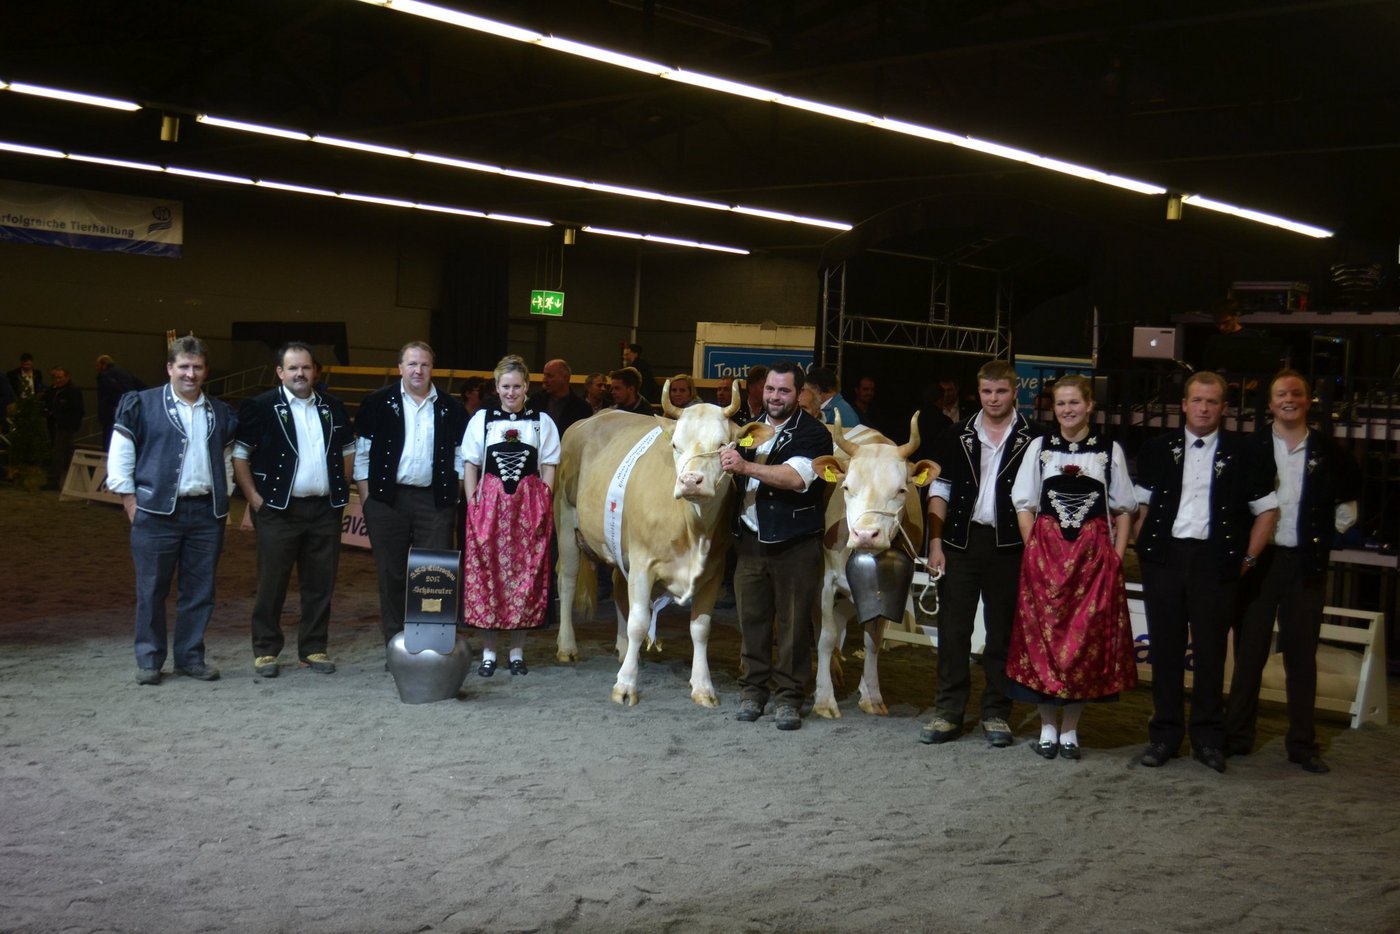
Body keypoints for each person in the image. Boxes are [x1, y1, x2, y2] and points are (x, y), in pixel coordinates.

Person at [1133, 371, 1278, 773]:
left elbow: (1267, 510)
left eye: (1212, 402)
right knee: (1164, 652)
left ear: (1224, 408)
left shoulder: (1246, 452)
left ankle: (1208, 739)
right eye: (1197, 400)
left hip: (1216, 562)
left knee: (1212, 653)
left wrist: (1247, 559)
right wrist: (1146, 552)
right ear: (1184, 404)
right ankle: (1163, 737)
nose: (1203, 408)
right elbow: (1141, 508)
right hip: (1164, 561)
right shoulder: (1156, 449)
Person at [1224, 370, 1360, 773]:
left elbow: (1347, 509)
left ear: (1307, 401)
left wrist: (1316, 536)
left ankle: (1302, 744)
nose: (1289, 399)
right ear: (1269, 404)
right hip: (1260, 564)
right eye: (1281, 394)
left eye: (1296, 393)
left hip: (1304, 564)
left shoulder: (1329, 451)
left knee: (1301, 657)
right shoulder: (1250, 449)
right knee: (1249, 654)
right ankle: (1237, 737)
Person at [1007, 376, 1138, 760]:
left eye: (1074, 403)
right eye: (1061, 404)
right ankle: (1047, 726)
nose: (1067, 410)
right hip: (1046, 558)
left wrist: (1116, 554)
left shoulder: (1108, 450)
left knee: (1083, 642)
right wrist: (1033, 547)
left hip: (1092, 561)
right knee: (1043, 642)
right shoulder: (1040, 448)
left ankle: (1070, 730)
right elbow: (1024, 503)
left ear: (1089, 406)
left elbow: (1124, 508)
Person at [922, 360, 1045, 747]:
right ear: (979, 393)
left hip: (1010, 547)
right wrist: (936, 544)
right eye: (988, 392)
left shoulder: (1036, 439)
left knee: (1002, 634)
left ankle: (996, 712)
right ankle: (949, 711)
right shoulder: (956, 434)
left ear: (1015, 393)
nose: (994, 399)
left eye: (1002, 392)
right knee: (953, 631)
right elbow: (938, 490)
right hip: (960, 543)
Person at [106, 336, 237, 685]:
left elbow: (225, 461)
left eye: (196, 367)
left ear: (205, 370)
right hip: (155, 513)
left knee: (200, 590)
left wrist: (223, 500)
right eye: (183, 366)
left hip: (206, 515)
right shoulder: (141, 404)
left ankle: (190, 658)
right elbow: (120, 454)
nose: (190, 374)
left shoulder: (221, 413)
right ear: (169, 368)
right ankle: (149, 660)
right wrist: (130, 501)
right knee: (151, 588)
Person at [720, 361, 833, 731]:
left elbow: (796, 478)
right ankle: (753, 691)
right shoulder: (750, 431)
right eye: (770, 389)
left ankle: (789, 697)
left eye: (783, 391)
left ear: (798, 394)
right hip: (750, 542)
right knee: (751, 622)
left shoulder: (814, 434)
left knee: (794, 626)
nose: (774, 397)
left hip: (795, 546)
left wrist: (744, 467)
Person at [232, 342, 355, 678]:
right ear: (280, 372)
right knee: (272, 582)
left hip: (324, 510)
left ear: (314, 371)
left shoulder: (332, 406)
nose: (300, 374)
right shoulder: (260, 407)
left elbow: (348, 449)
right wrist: (253, 497)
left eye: (306, 367)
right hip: (277, 510)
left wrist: (340, 485)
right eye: (293, 368)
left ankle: (313, 648)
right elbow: (240, 454)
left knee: (320, 583)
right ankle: (266, 651)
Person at [354, 341, 468, 646]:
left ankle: (431, 642)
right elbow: (362, 456)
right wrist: (368, 502)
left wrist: (450, 495)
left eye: (425, 364)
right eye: (412, 364)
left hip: (435, 502)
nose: (419, 370)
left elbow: (460, 456)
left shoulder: (451, 408)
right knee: (391, 573)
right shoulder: (376, 402)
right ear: (401, 367)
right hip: (386, 501)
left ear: (433, 368)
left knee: (435, 575)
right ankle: (396, 642)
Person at [461, 355, 561, 676]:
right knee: (487, 574)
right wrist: (473, 503)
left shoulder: (541, 422)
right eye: (505, 386)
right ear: (497, 386)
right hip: (490, 505)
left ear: (526, 387)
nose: (511, 392)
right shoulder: (482, 420)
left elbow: (549, 464)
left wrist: (544, 498)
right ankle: (489, 652)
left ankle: (517, 651)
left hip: (528, 506)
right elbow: (470, 464)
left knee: (525, 576)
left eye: (517, 386)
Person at [42, 366, 84, 488]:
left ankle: (53, 481)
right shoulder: (53, 390)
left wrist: (73, 425)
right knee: (67, 452)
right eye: (55, 377)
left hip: (65, 426)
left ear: (67, 377)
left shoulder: (73, 392)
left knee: (58, 453)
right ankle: (78, 478)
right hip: (54, 426)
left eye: (60, 377)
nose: (57, 380)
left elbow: (78, 410)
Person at [529, 358, 592, 436]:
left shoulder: (582, 409)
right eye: (544, 375)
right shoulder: (535, 401)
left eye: (549, 376)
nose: (544, 380)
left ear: (565, 377)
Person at [96, 355, 144, 447]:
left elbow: (108, 394)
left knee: (109, 441)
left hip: (112, 412)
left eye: (97, 365)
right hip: (129, 410)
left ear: (102, 364)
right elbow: (142, 386)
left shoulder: (105, 376)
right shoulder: (125, 372)